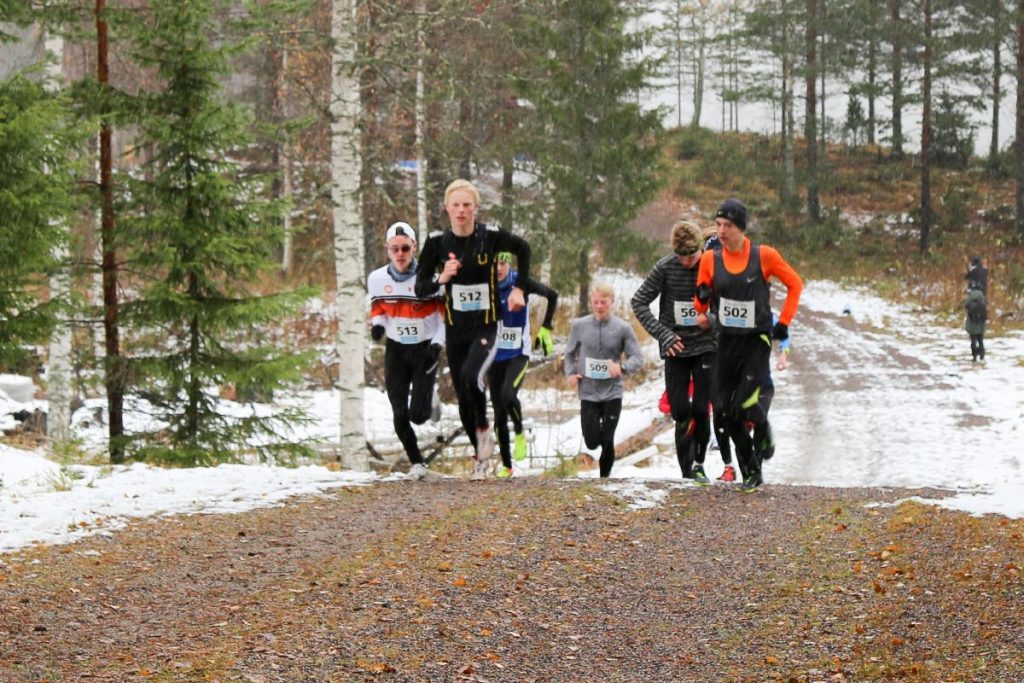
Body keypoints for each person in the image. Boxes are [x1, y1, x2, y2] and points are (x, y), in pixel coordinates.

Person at [414, 179, 531, 479]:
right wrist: (442, 278)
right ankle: (480, 449)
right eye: (456, 205)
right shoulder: (437, 243)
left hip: (487, 325)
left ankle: (483, 430)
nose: (462, 211)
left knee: (471, 376)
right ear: (447, 208)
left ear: (475, 208)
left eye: (467, 205)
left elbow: (524, 249)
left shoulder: (490, 237)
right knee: (463, 397)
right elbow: (420, 288)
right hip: (456, 330)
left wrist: (519, 289)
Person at [694, 198, 803, 492]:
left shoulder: (763, 256)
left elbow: (795, 284)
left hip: (757, 339)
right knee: (726, 412)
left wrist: (785, 323)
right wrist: (702, 298)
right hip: (726, 340)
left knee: (743, 403)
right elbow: (700, 303)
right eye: (718, 225)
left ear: (741, 227)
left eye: (727, 225)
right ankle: (752, 471)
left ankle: (762, 430)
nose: (721, 230)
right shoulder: (709, 259)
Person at [631, 220, 716, 485]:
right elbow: (639, 302)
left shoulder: (713, 267)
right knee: (680, 411)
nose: (686, 262)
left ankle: (699, 466)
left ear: (700, 249)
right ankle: (686, 472)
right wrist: (664, 334)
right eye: (681, 256)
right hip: (676, 348)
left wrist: (711, 319)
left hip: (705, 347)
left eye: (691, 256)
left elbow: (729, 305)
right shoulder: (666, 267)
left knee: (701, 409)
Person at [368, 221, 445, 480]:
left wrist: (438, 343)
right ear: (387, 250)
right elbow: (379, 309)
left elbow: (447, 317)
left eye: (405, 248)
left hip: (425, 348)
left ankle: (429, 399)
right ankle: (417, 463)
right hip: (396, 350)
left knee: (419, 416)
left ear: (414, 248)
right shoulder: (377, 279)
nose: (400, 254)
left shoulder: (431, 279)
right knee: (399, 411)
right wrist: (377, 326)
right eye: (394, 249)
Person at [488, 252, 558, 478]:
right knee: (498, 411)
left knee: (508, 395)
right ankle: (507, 466)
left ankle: (519, 431)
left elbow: (552, 295)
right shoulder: (483, 285)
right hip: (493, 356)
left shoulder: (521, 282)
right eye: (493, 263)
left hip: (519, 352)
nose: (498, 267)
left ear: (509, 263)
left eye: (502, 262)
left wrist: (546, 327)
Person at [565, 283, 644, 478]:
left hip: (612, 392)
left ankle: (604, 480)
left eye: (604, 302)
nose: (600, 306)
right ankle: (603, 474)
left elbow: (637, 358)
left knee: (607, 437)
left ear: (612, 302)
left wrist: (622, 367)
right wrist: (571, 373)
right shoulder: (579, 325)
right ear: (591, 302)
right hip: (588, 391)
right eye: (596, 302)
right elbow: (569, 354)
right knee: (592, 441)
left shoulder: (622, 328)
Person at [965, 284, 987, 362]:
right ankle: (982, 356)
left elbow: (966, 305)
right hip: (980, 322)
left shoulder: (970, 296)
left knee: (973, 340)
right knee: (980, 340)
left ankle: (974, 356)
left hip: (972, 322)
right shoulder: (983, 297)